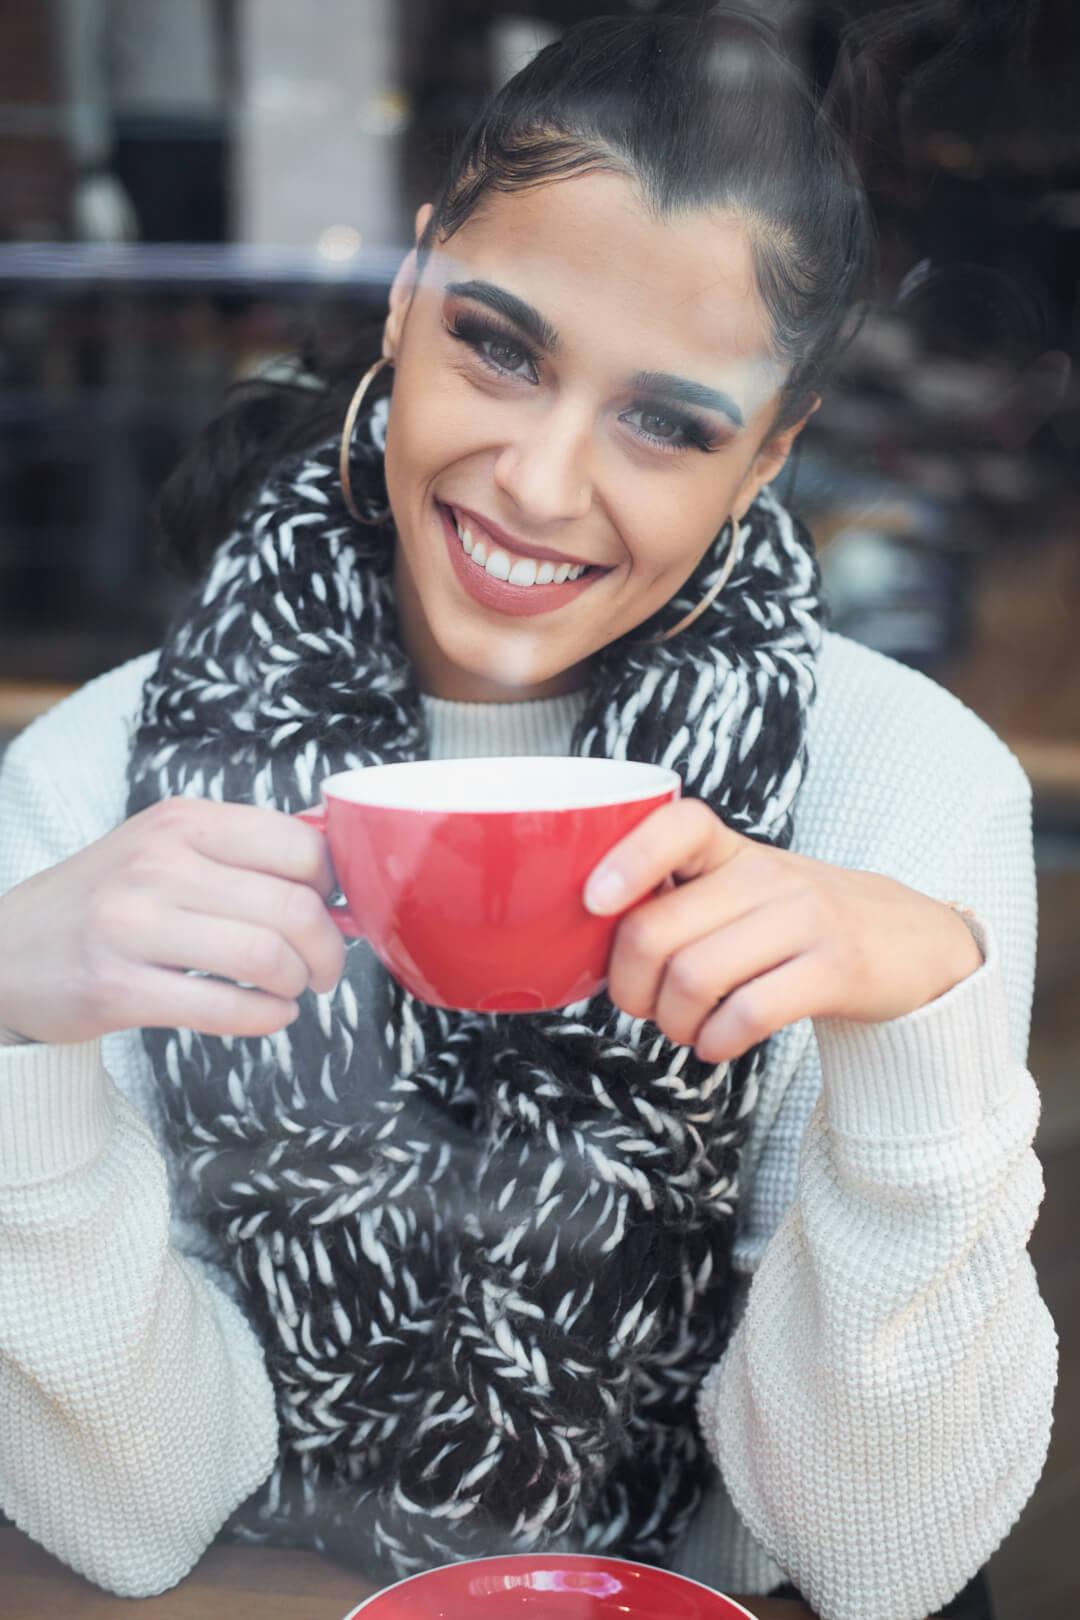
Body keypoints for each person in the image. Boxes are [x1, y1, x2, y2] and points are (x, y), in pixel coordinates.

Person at [0, 9, 1055, 1619]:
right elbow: (133, 1518)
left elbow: (879, 1554)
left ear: (771, 454)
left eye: (671, 421)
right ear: (411, 293)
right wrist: (14, 1042)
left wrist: (918, 1039)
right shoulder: (93, 780)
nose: (542, 485)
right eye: (499, 344)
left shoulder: (903, 788)